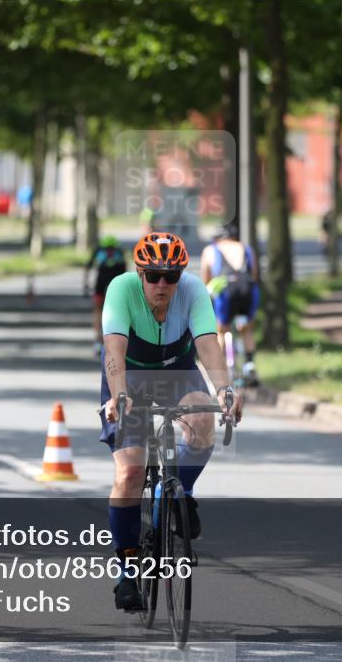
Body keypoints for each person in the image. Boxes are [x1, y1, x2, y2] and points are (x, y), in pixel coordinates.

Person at [100, 232, 242, 611]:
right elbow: (114, 349)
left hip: (176, 371)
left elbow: (208, 343)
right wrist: (118, 394)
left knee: (203, 417)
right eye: (154, 275)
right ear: (139, 272)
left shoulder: (193, 290)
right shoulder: (121, 289)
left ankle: (180, 493)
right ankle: (128, 570)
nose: (163, 284)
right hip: (128, 375)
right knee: (129, 472)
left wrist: (226, 390)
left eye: (171, 276)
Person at [199, 221, 260, 385]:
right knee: (247, 328)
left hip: (226, 291)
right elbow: (254, 274)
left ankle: (219, 369)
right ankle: (249, 365)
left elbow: (205, 277)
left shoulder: (211, 250)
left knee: (221, 329)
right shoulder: (246, 248)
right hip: (247, 289)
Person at [83, 236, 127, 355]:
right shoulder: (119, 252)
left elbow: (88, 268)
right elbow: (125, 272)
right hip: (117, 287)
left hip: (100, 286)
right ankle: (114, 342)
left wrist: (86, 284)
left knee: (97, 311)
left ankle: (98, 341)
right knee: (117, 314)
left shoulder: (98, 251)